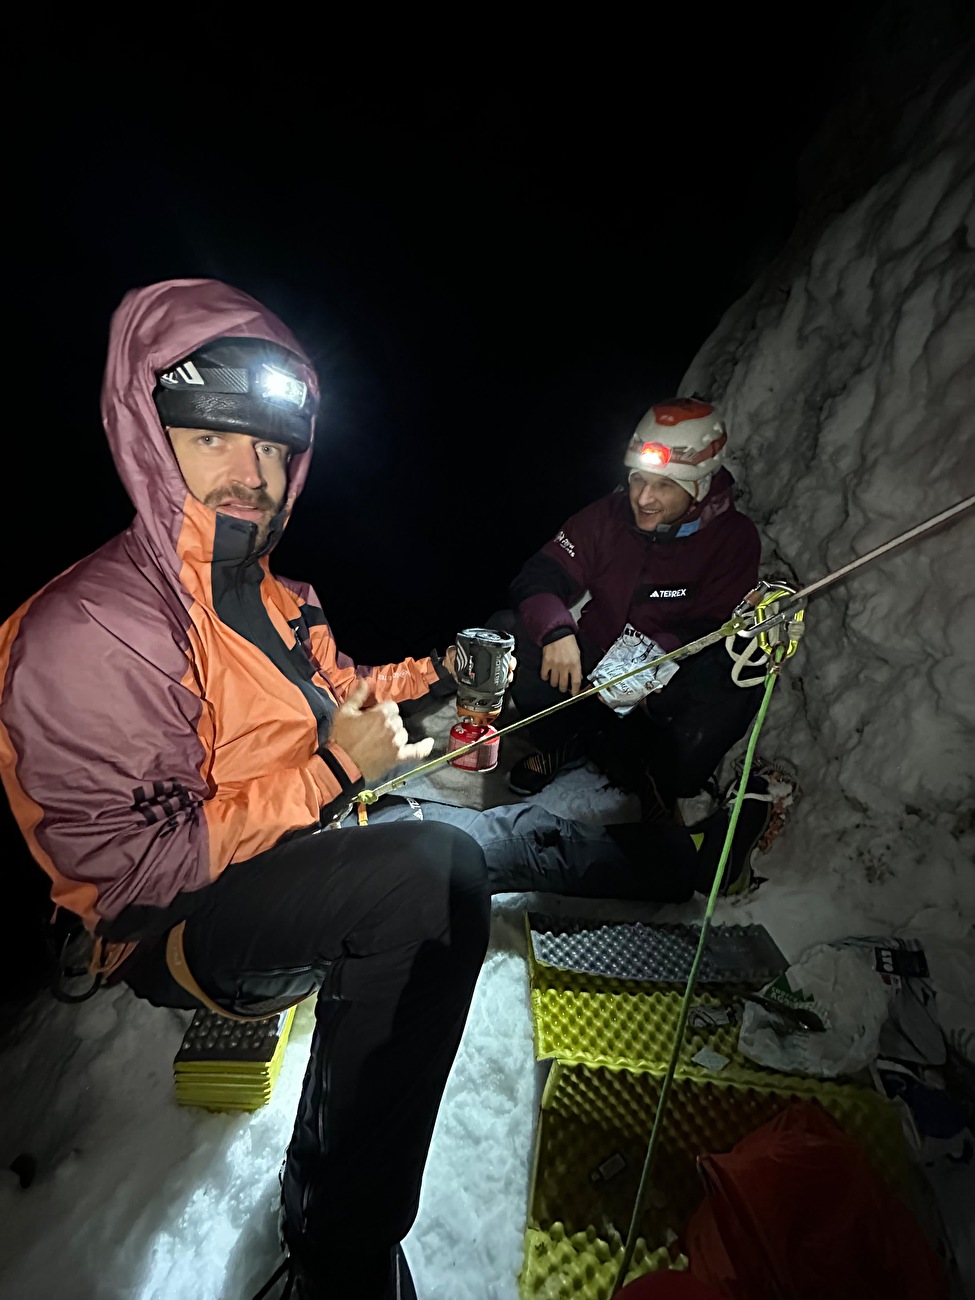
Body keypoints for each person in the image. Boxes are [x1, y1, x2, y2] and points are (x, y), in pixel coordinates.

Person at [0, 282, 773, 1300]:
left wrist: (441, 673)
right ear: (151, 436)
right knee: (427, 873)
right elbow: (127, 879)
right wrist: (330, 772)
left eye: (276, 450)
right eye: (217, 441)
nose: (254, 475)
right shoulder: (88, 632)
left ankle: (675, 861)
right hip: (180, 927)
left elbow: (341, 690)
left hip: (292, 844)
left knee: (486, 839)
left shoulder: (273, 597)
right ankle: (337, 1254)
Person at [497, 397, 763, 813]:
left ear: (699, 487)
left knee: (736, 678)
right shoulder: (607, 518)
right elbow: (539, 576)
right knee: (511, 634)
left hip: (666, 681)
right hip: (594, 664)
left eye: (664, 485)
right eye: (639, 480)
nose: (644, 498)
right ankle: (562, 741)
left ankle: (657, 776)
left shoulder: (734, 540)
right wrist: (557, 631)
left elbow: (717, 622)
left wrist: (655, 661)